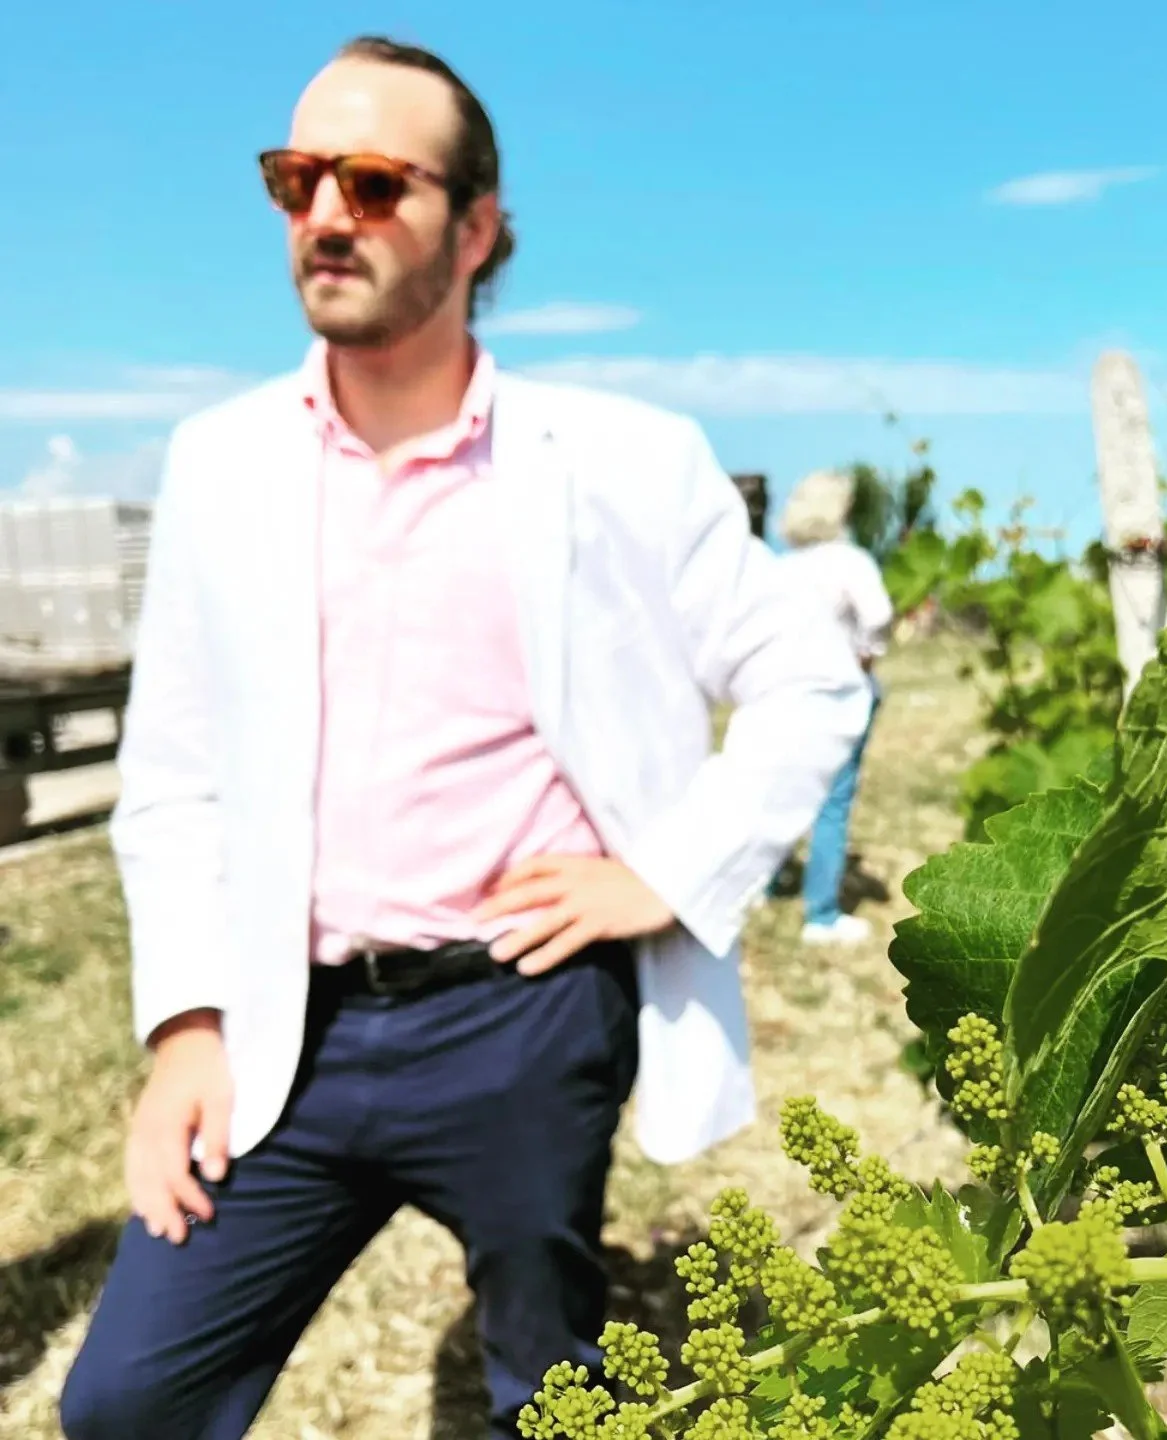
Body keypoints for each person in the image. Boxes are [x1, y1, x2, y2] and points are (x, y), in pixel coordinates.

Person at [59, 36, 869, 1440]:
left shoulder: (623, 460)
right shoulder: (222, 463)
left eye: (375, 183)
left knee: (545, 1400)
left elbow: (810, 675)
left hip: (519, 1012)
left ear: (477, 227)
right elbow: (175, 771)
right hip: (288, 1025)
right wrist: (187, 1027)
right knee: (127, 1404)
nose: (327, 215)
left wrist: (666, 873)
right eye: (297, 179)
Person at [773, 469, 894, 945]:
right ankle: (821, 914)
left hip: (789, 695)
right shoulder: (851, 562)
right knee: (833, 800)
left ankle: (767, 882)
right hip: (843, 693)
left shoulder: (783, 568)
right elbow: (879, 615)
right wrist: (868, 652)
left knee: (784, 790)